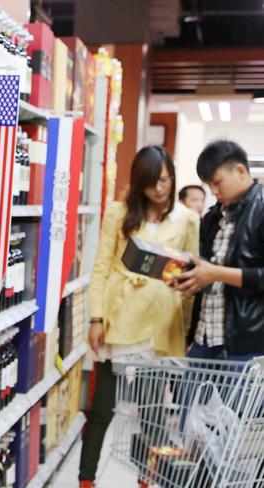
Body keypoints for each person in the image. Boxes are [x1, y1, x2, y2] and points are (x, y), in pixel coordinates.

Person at [79, 146, 200, 488]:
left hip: (160, 324)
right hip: (118, 320)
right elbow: (101, 269)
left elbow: (193, 273)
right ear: (138, 183)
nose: (160, 189)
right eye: (151, 183)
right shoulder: (119, 213)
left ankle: (149, 480)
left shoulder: (187, 218)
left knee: (153, 414)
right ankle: (86, 480)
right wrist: (96, 318)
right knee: (102, 409)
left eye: (164, 179)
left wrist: (187, 327)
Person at [175, 140, 264, 360]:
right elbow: (205, 267)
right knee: (190, 395)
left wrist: (216, 273)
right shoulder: (212, 217)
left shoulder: (261, 210)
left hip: (246, 344)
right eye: (209, 185)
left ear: (240, 171)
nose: (214, 191)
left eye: (217, 183)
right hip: (203, 336)